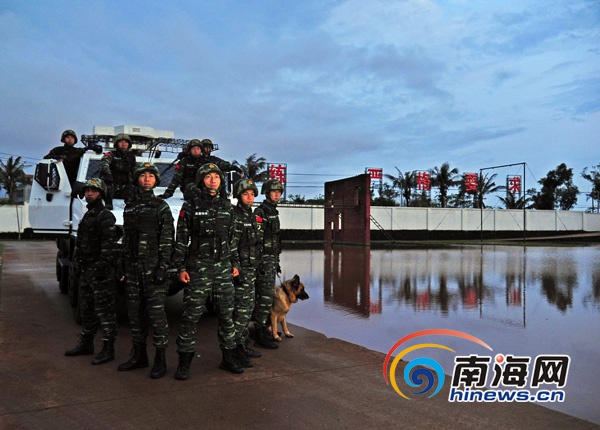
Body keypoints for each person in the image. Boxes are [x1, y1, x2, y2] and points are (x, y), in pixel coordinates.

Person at [173, 163, 242, 380]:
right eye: (209, 177)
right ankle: (184, 363)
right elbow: (182, 240)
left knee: (226, 315)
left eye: (217, 177)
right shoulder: (190, 206)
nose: (213, 180)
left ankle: (228, 358)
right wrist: (181, 267)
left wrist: (235, 264)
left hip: (222, 268)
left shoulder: (227, 207)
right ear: (201, 180)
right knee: (190, 316)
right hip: (198, 268)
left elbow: (232, 240)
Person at [118, 162, 174, 379]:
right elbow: (126, 239)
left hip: (153, 268)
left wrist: (163, 267)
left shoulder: (161, 207)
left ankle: (160, 360)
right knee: (135, 314)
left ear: (156, 181)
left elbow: (167, 238)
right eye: (143, 175)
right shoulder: (130, 207)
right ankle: (139, 356)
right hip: (133, 268)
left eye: (151, 175)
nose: (147, 179)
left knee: (157, 314)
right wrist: (122, 265)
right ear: (137, 179)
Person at [64, 178, 119, 365]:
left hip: (100, 273)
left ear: (101, 194)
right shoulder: (88, 215)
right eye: (87, 190)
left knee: (105, 313)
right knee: (87, 310)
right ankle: (86, 344)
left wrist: (100, 268)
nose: (89, 194)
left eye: (94, 191)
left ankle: (108, 348)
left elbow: (109, 246)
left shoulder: (105, 216)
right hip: (86, 271)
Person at [231, 178, 263, 367]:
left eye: (252, 194)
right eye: (245, 194)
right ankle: (235, 350)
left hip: (251, 269)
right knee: (240, 312)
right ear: (238, 196)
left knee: (247, 308)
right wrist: (237, 267)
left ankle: (242, 345)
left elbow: (255, 244)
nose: (249, 197)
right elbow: (232, 245)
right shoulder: (235, 216)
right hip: (240, 271)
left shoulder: (251, 216)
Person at [252, 178, 284, 349]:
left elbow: (275, 240)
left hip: (271, 261)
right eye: (274, 191)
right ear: (266, 192)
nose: (277, 194)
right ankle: (259, 333)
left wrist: (276, 262)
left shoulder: (273, 212)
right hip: (263, 261)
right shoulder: (261, 212)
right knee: (263, 299)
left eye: (279, 191)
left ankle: (263, 329)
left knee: (267, 297)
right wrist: (260, 262)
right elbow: (256, 239)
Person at [98, 133, 137, 209]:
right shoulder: (110, 155)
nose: (123, 144)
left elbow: (134, 169)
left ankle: (130, 205)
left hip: (125, 186)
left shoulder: (131, 157)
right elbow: (104, 163)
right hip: (112, 185)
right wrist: (108, 173)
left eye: (126, 142)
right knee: (107, 184)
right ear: (116, 144)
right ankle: (108, 203)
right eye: (121, 142)